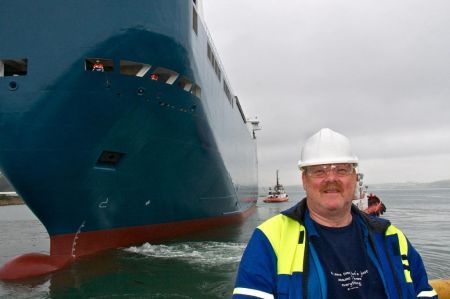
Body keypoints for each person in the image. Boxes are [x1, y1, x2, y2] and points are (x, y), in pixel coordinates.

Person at [233, 128, 437, 298]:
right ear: (304, 180)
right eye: (319, 171)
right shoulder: (270, 240)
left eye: (341, 170)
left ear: (355, 177)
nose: (331, 179)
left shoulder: (392, 238)